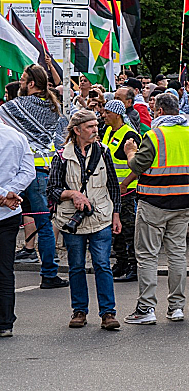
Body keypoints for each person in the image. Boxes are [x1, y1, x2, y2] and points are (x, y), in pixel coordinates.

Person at [122, 93, 189, 324]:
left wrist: (130, 151)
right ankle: (176, 307)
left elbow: (138, 164)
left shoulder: (154, 135)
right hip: (184, 201)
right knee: (177, 254)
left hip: (154, 202)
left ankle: (146, 309)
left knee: (147, 255)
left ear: (158, 111)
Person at [47, 110, 122, 330]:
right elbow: (52, 190)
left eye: (96, 126)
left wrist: (115, 215)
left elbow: (113, 187)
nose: (95, 130)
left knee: (102, 264)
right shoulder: (62, 156)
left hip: (100, 218)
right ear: (77, 130)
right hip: (73, 220)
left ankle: (108, 313)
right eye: (90, 127)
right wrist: (72, 194)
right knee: (76, 267)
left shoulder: (104, 151)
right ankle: (79, 311)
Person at [0, 64, 69, 289]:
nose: (20, 83)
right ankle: (49, 273)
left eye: (22, 79)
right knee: (43, 223)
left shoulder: (13, 107)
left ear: (31, 83)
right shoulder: (54, 107)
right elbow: (61, 140)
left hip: (17, 171)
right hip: (41, 170)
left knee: (7, 218)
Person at [0, 121, 36, 338]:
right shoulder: (17, 136)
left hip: (8, 208)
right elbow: (28, 171)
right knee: (5, 268)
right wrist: (9, 193)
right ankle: (5, 321)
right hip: (10, 212)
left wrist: (4, 195)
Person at [100, 100, 141, 283]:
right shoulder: (109, 131)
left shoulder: (130, 134)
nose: (103, 115)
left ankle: (134, 265)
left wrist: (125, 183)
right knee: (114, 227)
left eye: (107, 112)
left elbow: (139, 164)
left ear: (117, 114)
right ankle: (121, 261)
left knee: (128, 228)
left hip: (127, 189)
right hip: (111, 188)